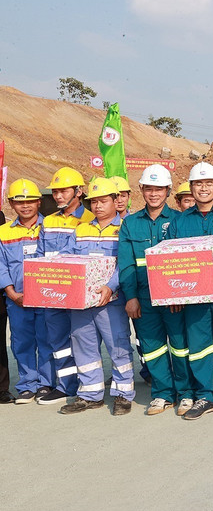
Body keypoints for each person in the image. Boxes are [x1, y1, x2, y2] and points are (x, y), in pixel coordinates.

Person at [167, 162, 213, 420]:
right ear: (192, 187)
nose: (204, 188)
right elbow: (172, 259)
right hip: (194, 296)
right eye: (199, 184)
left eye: (209, 183)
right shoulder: (179, 221)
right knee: (199, 346)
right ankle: (205, 395)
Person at [118, 165, 191, 415]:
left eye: (159, 189)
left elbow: (184, 262)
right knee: (152, 346)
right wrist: (131, 298)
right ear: (141, 190)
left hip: (173, 298)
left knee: (180, 346)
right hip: (144, 297)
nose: (153, 194)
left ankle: (185, 393)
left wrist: (177, 294)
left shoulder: (180, 221)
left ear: (168, 191)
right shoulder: (130, 224)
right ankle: (162, 393)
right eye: (149, 188)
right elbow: (126, 263)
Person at [58, 178, 135, 415]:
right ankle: (90, 394)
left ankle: (123, 394)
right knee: (83, 346)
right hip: (81, 303)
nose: (98, 206)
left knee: (118, 345)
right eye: (94, 202)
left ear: (116, 201)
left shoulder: (125, 228)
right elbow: (68, 260)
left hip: (111, 301)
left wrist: (111, 287)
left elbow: (125, 264)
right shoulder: (80, 229)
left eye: (104, 201)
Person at [35, 167, 92, 405]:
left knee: (83, 341)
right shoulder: (48, 221)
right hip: (53, 293)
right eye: (55, 191)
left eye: (63, 191)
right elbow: (40, 255)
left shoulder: (91, 220)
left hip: (79, 293)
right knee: (57, 341)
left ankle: (89, 384)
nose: (58, 196)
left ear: (78, 191)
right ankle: (65, 386)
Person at [0, 180, 48, 404]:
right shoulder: (3, 232)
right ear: (11, 204)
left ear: (39, 202)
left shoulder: (50, 226)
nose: (25, 206)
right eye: (20, 202)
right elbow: (1, 265)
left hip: (47, 298)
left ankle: (47, 384)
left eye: (30, 201)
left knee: (47, 340)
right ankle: (27, 385)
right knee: (22, 342)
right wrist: (10, 292)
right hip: (17, 299)